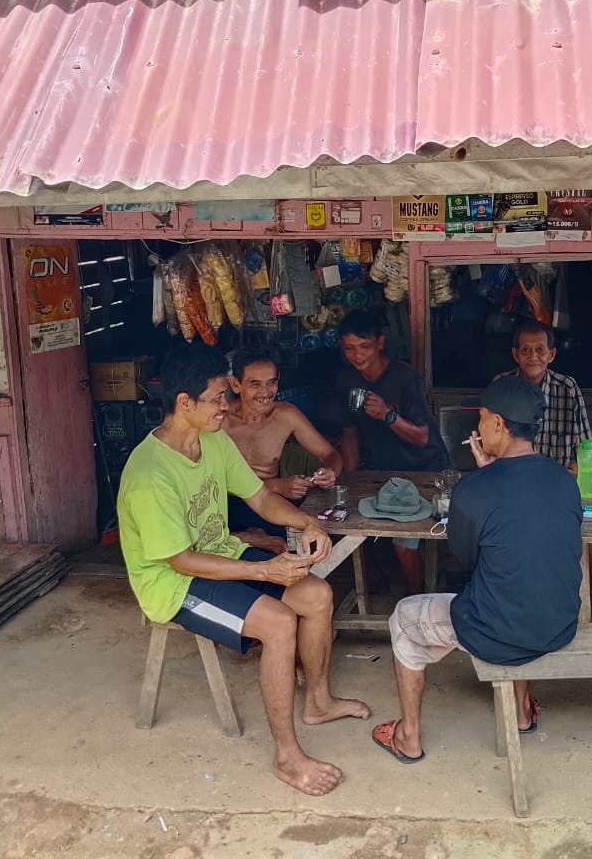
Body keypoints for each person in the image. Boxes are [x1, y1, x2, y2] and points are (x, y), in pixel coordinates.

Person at [117, 342, 369, 796]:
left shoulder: (213, 441)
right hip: (174, 584)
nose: (226, 406)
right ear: (184, 402)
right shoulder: (150, 473)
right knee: (278, 622)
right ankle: (287, 757)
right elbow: (181, 560)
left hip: (222, 553)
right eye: (218, 397)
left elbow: (261, 498)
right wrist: (266, 571)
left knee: (317, 595)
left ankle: (317, 701)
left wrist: (307, 522)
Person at [370, 376, 583, 763]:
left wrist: (484, 476)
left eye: (482, 418)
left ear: (498, 424)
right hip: (558, 623)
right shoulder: (565, 481)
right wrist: (490, 474)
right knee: (522, 587)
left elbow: (467, 558)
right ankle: (522, 711)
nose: (479, 428)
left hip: (500, 633)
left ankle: (408, 736)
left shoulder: (473, 489)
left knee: (403, 617)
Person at [336, 309, 448, 595]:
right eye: (349, 348)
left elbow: (423, 438)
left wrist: (388, 415)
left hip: (423, 472)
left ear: (380, 343)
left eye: (364, 347)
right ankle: (378, 590)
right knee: (359, 533)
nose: (357, 355)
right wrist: (349, 480)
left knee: (403, 545)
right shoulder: (347, 382)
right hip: (381, 472)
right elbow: (349, 434)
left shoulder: (405, 378)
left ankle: (415, 597)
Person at [223, 351, 343, 554]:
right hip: (227, 504)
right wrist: (277, 485)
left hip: (270, 504)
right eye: (255, 384)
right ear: (235, 384)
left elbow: (330, 454)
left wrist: (330, 471)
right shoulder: (220, 420)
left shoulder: (286, 415)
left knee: (309, 542)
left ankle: (254, 537)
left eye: (271, 383)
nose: (265, 392)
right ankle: (249, 537)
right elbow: (209, 479)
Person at [496, 320, 591, 472]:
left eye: (540, 350)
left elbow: (585, 448)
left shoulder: (568, 389)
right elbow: (491, 444)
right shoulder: (502, 387)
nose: (533, 357)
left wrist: (578, 468)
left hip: (556, 479)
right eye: (525, 350)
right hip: (514, 478)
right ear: (515, 355)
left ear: (551, 355)